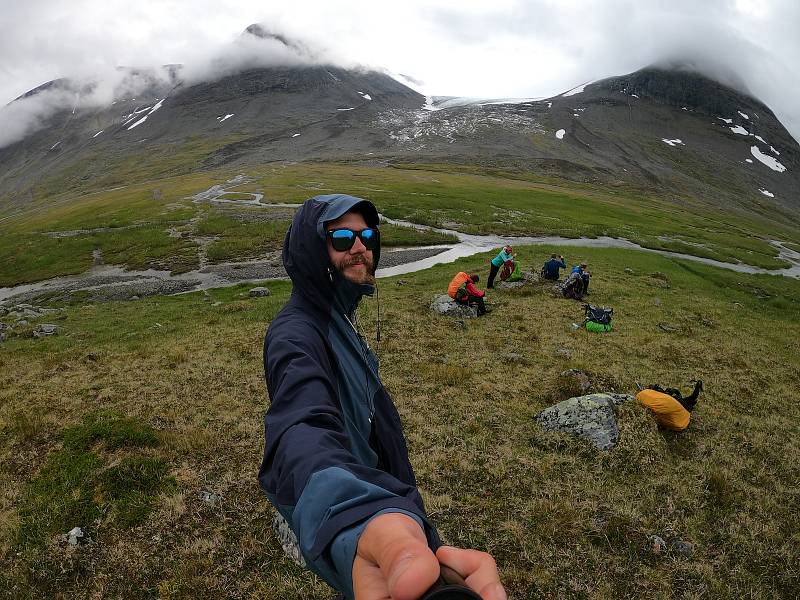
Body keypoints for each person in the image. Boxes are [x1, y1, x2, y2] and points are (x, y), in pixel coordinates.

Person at [259, 194, 506, 600]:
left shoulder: (338, 313)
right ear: (312, 250)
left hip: (384, 487)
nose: (360, 248)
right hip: (364, 509)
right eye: (341, 238)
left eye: (367, 236)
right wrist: (357, 517)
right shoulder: (295, 334)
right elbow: (300, 427)